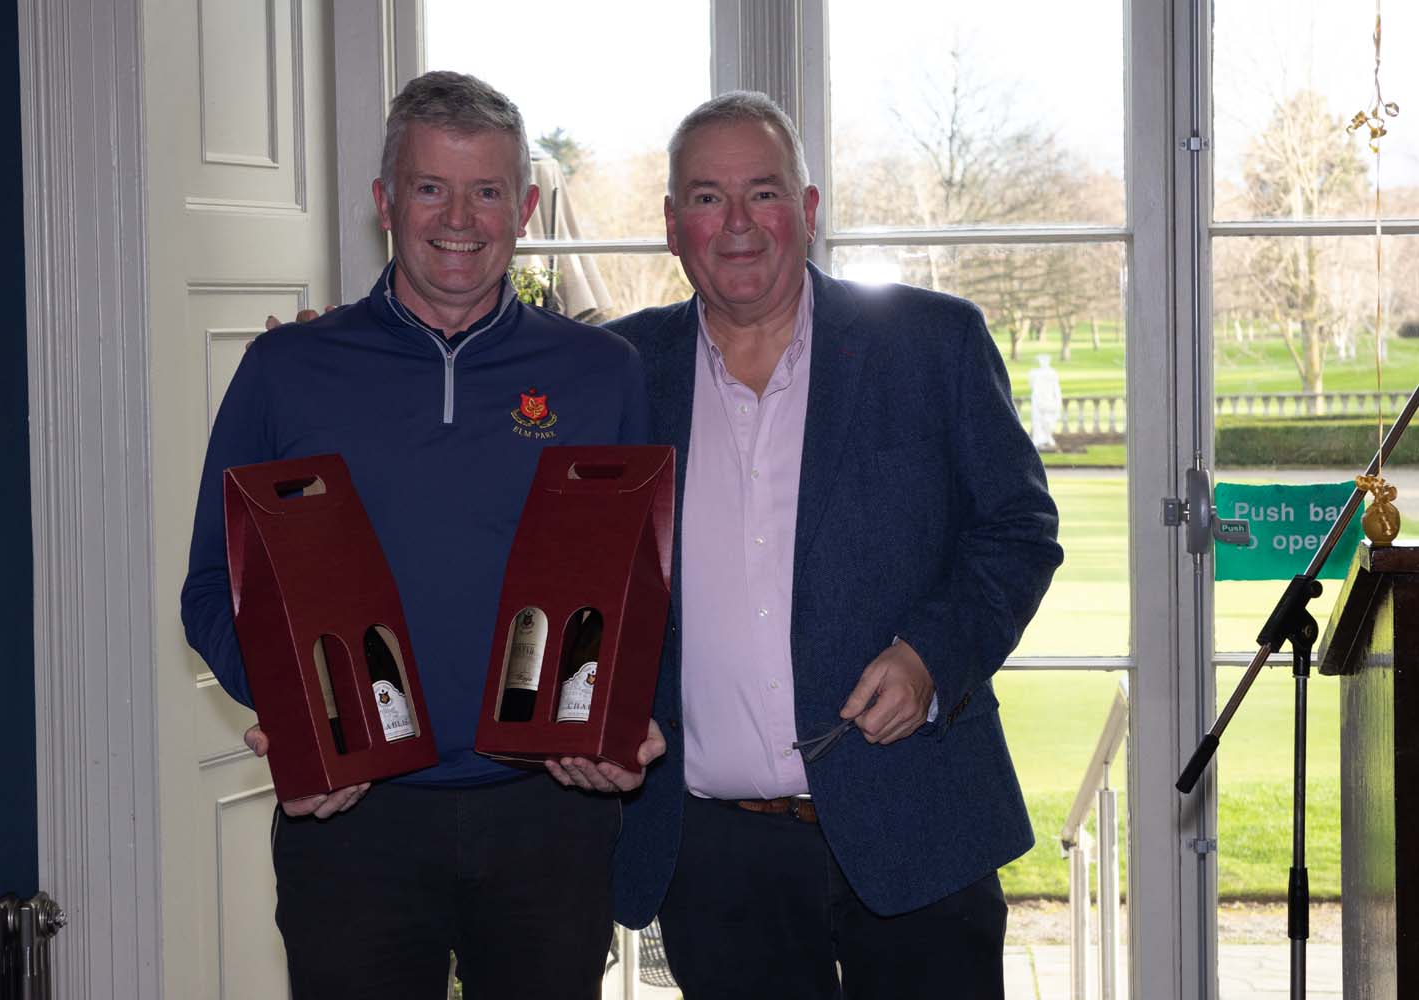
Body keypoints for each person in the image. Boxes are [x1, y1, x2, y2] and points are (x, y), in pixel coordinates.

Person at [548, 92, 1063, 998]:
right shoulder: (619, 373)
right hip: (715, 858)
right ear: (671, 224)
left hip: (918, 825)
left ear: (809, 209)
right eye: (707, 198)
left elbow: (1018, 530)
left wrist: (931, 657)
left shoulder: (931, 343)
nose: (738, 224)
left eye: (764, 193)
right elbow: (561, 565)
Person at [181, 71, 647, 1000]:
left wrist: (626, 716)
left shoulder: (602, 373)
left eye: (487, 191)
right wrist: (298, 717)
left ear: (526, 208)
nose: (459, 219)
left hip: (548, 818)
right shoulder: (287, 368)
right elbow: (211, 590)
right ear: (385, 202)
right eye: (431, 187)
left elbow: (645, 588)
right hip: (353, 820)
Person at [1029, 353, 1063, 449]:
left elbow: (1056, 388)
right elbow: (1032, 386)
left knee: (1049, 420)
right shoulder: (1034, 373)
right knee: (1038, 420)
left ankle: (1048, 437)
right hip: (1038, 399)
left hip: (1049, 399)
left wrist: (1057, 399)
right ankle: (1039, 440)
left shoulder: (1052, 373)